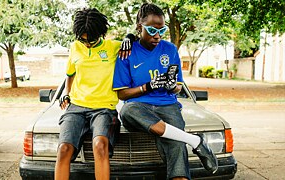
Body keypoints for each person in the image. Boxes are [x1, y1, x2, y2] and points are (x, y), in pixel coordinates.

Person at [113, 3, 218, 180]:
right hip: (139, 107)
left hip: (167, 104)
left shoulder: (170, 50)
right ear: (140, 27)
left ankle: (183, 146)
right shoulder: (127, 52)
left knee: (176, 144)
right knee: (127, 110)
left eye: (162, 31)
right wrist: (147, 87)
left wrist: (171, 86)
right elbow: (122, 94)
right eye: (153, 30)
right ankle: (194, 141)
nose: (158, 36)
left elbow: (178, 85)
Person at [55, 8, 124, 180]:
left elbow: (142, 42)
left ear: (101, 33)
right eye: (82, 39)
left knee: (100, 145)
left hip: (103, 108)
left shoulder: (114, 47)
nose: (87, 43)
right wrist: (66, 93)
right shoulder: (74, 48)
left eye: (91, 40)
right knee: (64, 149)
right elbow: (70, 75)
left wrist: (129, 37)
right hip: (76, 107)